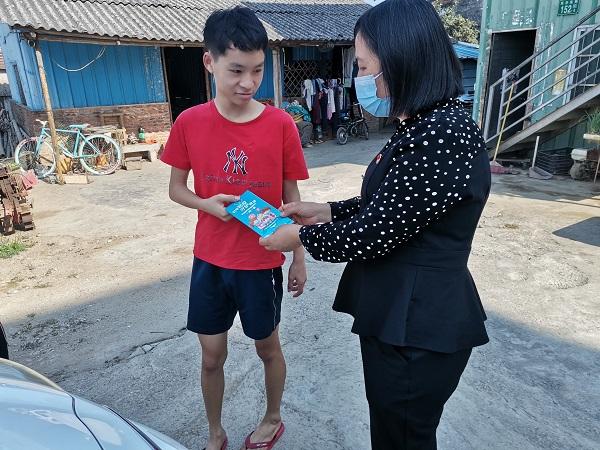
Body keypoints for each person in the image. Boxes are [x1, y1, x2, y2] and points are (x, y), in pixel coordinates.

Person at [259, 0, 490, 448]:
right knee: (393, 430)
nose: (359, 78)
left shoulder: (441, 132)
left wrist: (301, 237)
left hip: (418, 322)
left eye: (364, 66)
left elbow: (376, 233)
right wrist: (327, 211)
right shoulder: (422, 126)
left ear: (401, 60)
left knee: (401, 436)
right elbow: (391, 205)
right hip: (403, 313)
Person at [161, 7, 309, 450]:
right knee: (211, 356)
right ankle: (215, 432)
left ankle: (273, 418)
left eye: (258, 70)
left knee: (267, 348)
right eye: (237, 70)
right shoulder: (189, 122)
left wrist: (298, 256)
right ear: (209, 62)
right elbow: (176, 189)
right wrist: (205, 204)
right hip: (209, 261)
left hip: (260, 262)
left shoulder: (281, 125)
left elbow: (293, 199)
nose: (248, 82)